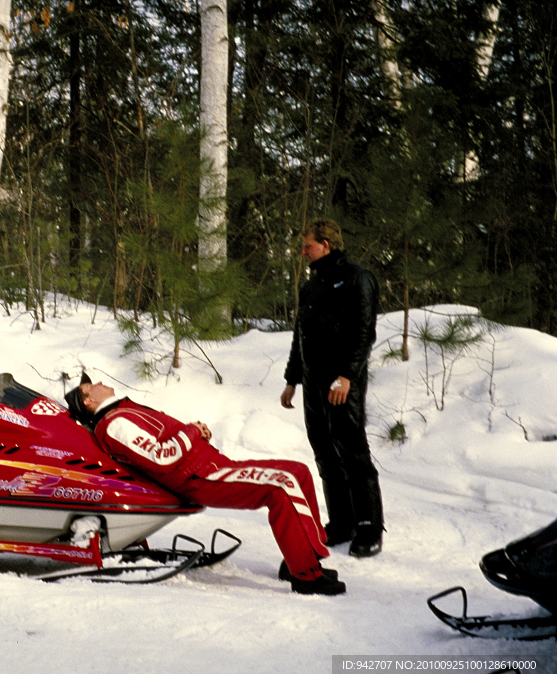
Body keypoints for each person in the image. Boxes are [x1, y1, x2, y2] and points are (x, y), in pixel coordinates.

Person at [65, 375, 346, 596]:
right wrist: (192, 431)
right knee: (281, 486)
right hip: (200, 477)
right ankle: (306, 578)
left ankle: (302, 559)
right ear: (88, 399)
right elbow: (162, 458)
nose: (101, 383)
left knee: (299, 471)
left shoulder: (121, 410)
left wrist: (198, 435)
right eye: (93, 385)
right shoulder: (114, 423)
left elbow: (169, 442)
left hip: (210, 465)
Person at [280, 218, 383, 558]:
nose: (303, 251)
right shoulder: (311, 287)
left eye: (307, 245)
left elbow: (363, 334)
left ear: (326, 244)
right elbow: (301, 335)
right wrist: (292, 379)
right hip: (312, 379)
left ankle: (369, 526)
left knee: (351, 450)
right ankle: (342, 522)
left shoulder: (358, 279)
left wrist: (347, 375)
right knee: (323, 450)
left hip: (342, 381)